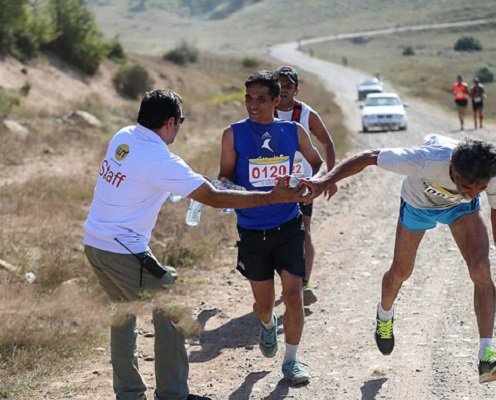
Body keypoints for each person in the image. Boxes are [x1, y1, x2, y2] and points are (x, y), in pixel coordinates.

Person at [83, 89, 308, 400]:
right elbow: (213, 198)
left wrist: (187, 184)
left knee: (123, 315)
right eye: (181, 122)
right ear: (171, 122)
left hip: (95, 243)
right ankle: (173, 394)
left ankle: (129, 393)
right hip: (123, 250)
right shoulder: (160, 159)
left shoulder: (125, 136)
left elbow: (154, 181)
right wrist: (273, 196)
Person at [304, 134, 496, 384]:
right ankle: (384, 315)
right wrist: (325, 180)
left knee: (481, 269)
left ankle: (486, 356)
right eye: (467, 187)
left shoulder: (490, 176)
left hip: (459, 212)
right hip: (418, 205)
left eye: (479, 189)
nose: (473, 193)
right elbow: (369, 157)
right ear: (452, 171)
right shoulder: (425, 161)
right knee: (401, 272)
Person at [218, 71, 324, 385]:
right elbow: (224, 176)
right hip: (251, 230)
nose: (253, 105)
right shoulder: (233, 134)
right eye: (249, 98)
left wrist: (312, 184)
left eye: (262, 99)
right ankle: (266, 324)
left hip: (288, 224)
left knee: (293, 295)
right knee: (264, 305)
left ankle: (292, 361)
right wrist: (220, 188)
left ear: (277, 101)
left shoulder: (293, 131)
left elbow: (317, 164)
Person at [274, 65, 338, 306]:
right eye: (279, 85)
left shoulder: (306, 114)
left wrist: (329, 179)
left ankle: (305, 283)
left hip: (302, 181)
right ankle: (285, 282)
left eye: (288, 86)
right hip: (272, 183)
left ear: (296, 90)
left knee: (304, 231)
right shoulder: (265, 109)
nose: (283, 90)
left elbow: (327, 143)